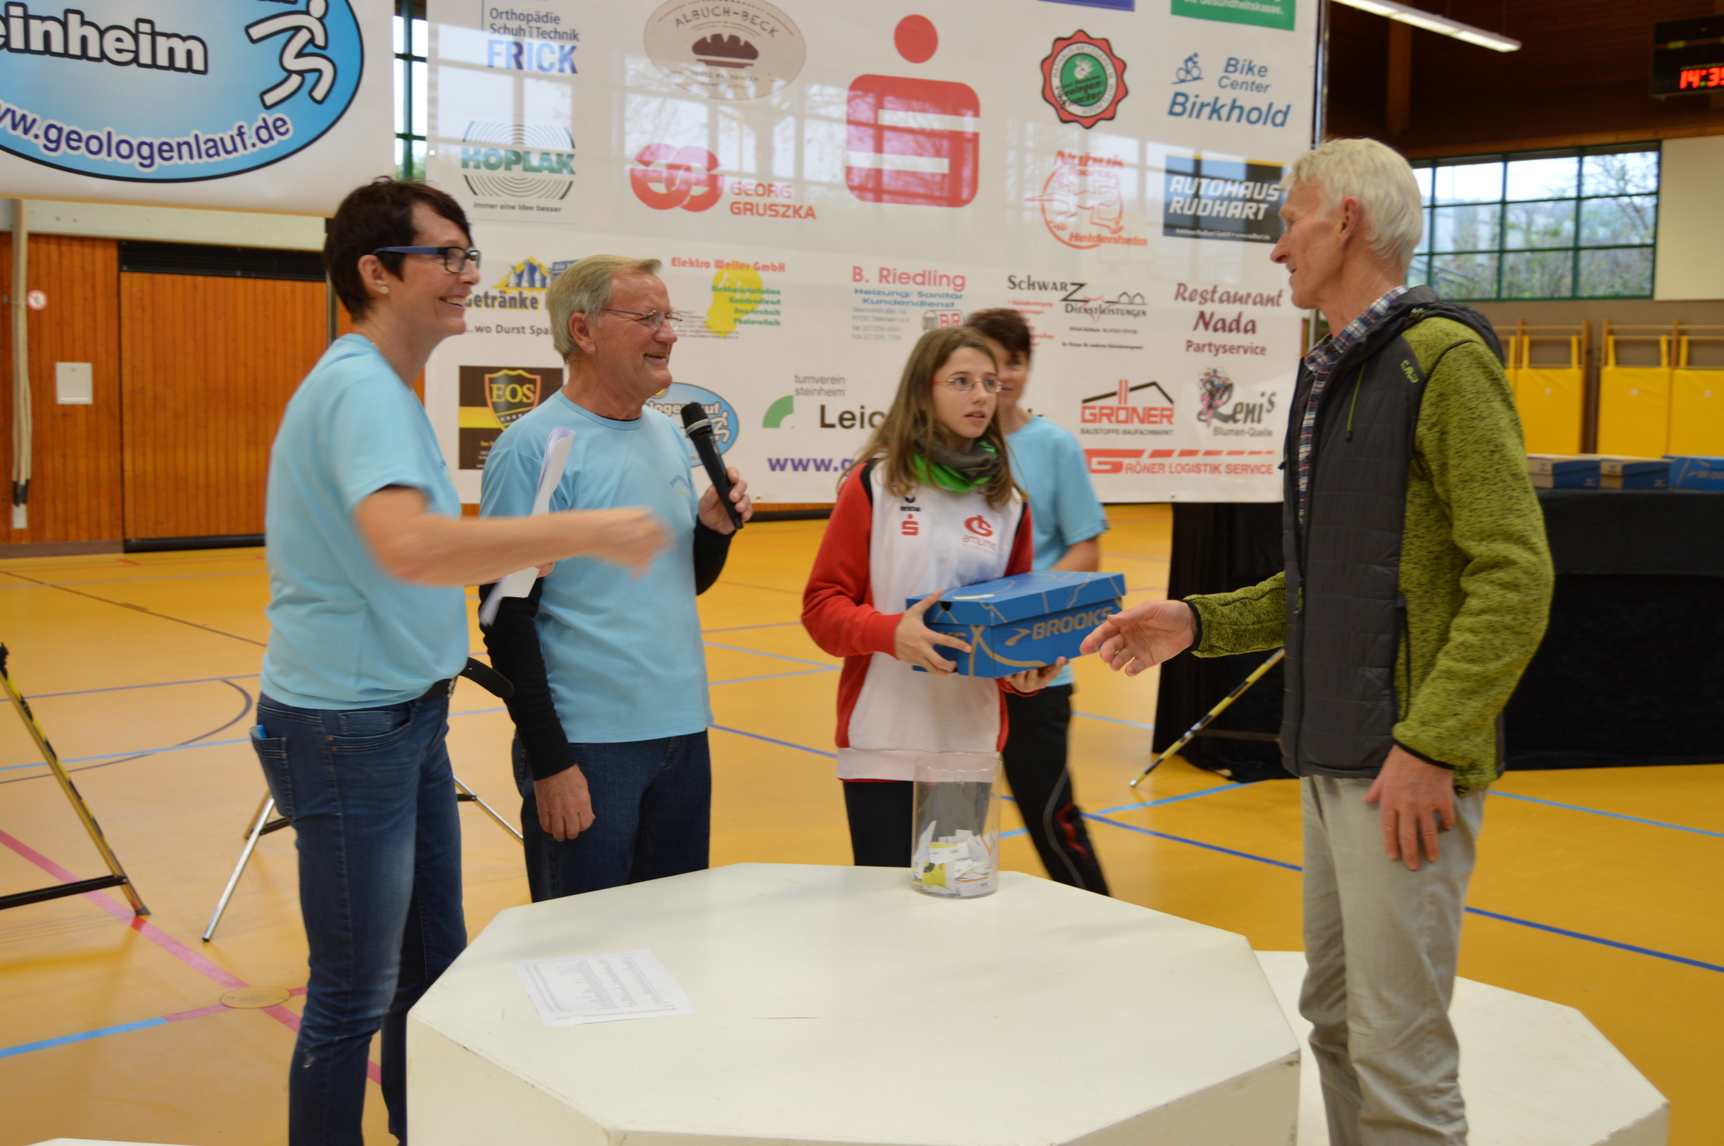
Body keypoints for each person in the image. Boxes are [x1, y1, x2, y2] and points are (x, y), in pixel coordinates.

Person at [1081, 138, 1553, 1146]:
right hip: (1335, 753)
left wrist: (1431, 743)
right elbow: (1329, 580)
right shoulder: (1332, 371)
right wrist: (1198, 622)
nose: (1275, 248)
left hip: (1403, 769)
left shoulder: (1443, 363)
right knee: (1336, 1022)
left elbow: (1516, 574)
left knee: (1399, 1055)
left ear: (1345, 221)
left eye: (1288, 222)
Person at [255, 181, 671, 1146]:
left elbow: (411, 549)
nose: (467, 274)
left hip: (403, 721)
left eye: (469, 254)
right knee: (354, 994)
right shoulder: (361, 388)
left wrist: (519, 547)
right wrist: (584, 529)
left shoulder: (379, 388)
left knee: (427, 969)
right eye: (445, 256)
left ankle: (424, 1129)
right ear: (375, 272)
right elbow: (410, 545)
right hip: (348, 732)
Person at [479, 255, 752, 901]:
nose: (669, 333)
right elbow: (505, 617)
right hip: (589, 745)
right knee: (584, 946)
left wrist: (712, 532)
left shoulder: (668, 437)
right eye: (648, 317)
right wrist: (552, 761)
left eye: (670, 317)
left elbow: (681, 583)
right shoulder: (536, 447)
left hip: (682, 734)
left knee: (675, 936)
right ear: (583, 330)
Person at [802, 326, 1065, 866]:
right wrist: (889, 633)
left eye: (990, 382)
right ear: (924, 392)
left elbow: (1009, 624)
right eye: (962, 381)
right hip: (884, 740)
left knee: (950, 900)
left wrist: (1023, 671)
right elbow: (821, 608)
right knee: (886, 908)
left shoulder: (1009, 503)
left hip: (968, 744)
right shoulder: (875, 485)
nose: (981, 395)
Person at [964, 308, 1110, 894]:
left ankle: (1100, 919)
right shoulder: (946, 449)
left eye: (1015, 362)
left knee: (1051, 813)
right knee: (954, 820)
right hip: (960, 670)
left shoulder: (1053, 446)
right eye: (988, 363)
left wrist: (1015, 608)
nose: (1002, 376)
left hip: (1034, 668)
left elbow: (1086, 549)